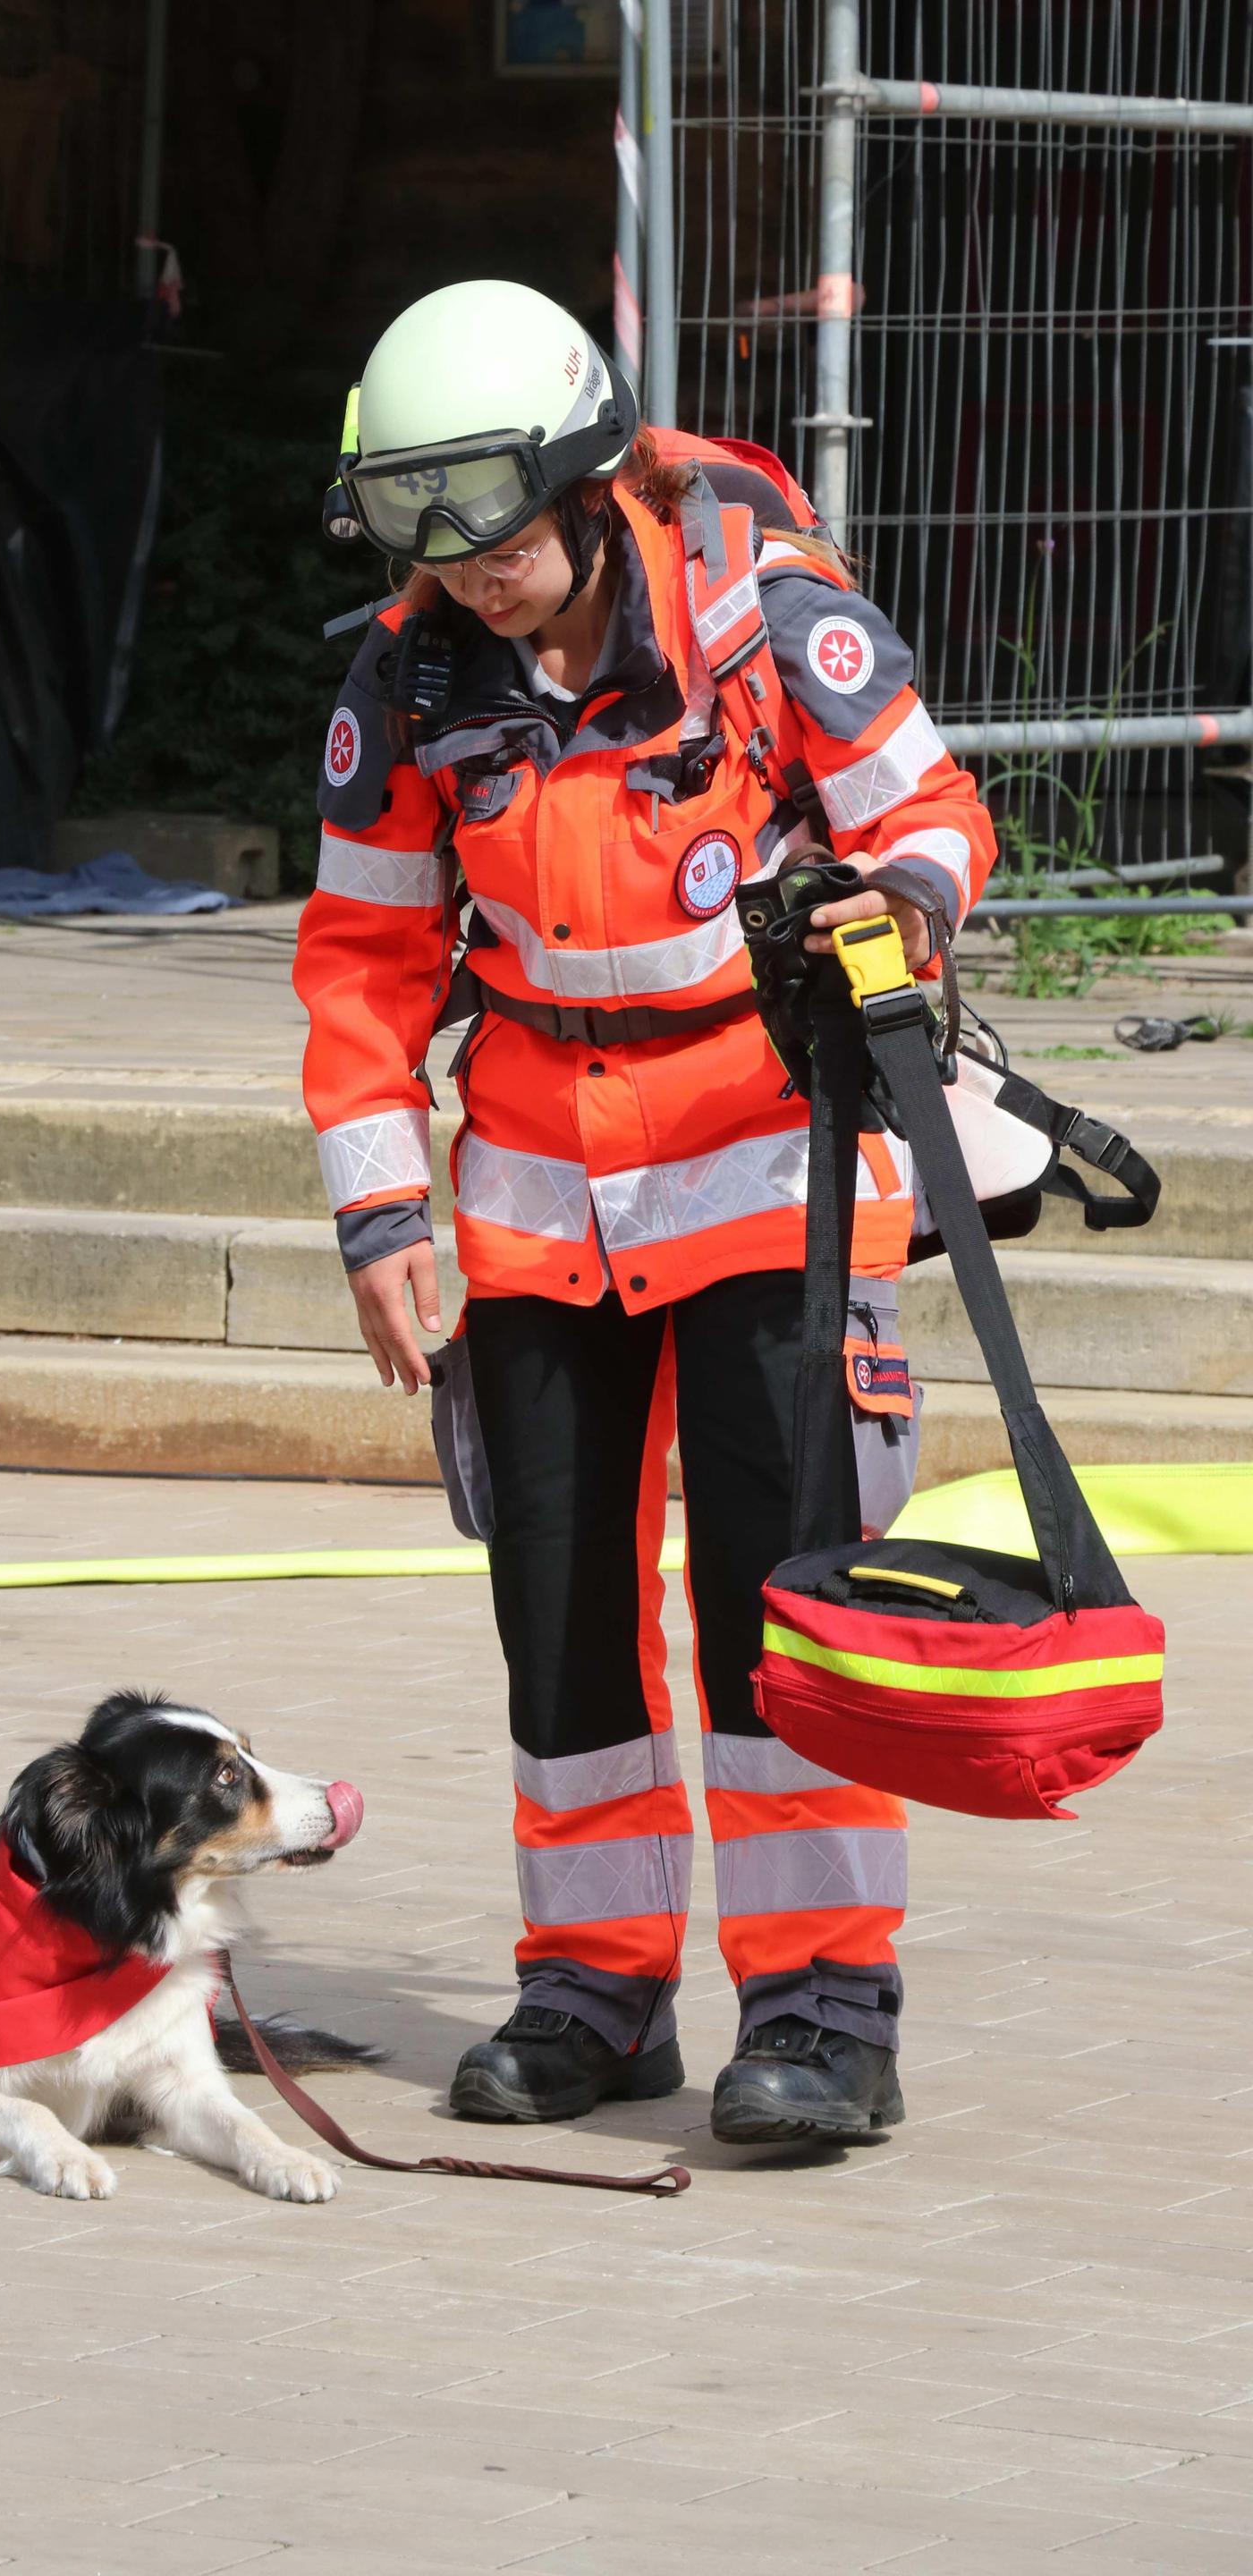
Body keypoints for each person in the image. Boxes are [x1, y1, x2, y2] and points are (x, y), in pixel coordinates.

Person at [293, 280, 995, 2144]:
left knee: (789, 1611)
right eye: (420, 532)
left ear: (588, 482)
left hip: (768, 1166)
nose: (473, 572)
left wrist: (901, 916)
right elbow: (364, 970)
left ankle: (827, 2011)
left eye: (499, 525)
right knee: (563, 1618)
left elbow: (930, 810)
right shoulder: (408, 681)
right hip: (536, 1198)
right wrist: (382, 1218)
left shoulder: (762, 612)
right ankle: (597, 1992)